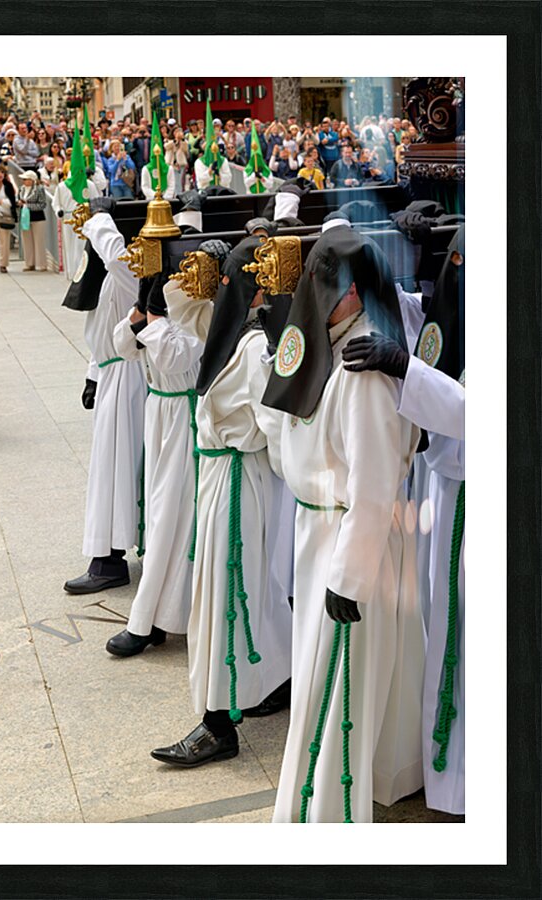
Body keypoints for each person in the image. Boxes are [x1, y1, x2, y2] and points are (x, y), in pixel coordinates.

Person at [264, 218, 424, 823]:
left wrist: (349, 577)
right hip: (318, 530)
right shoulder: (329, 344)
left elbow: (375, 487)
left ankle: (323, 806)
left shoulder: (363, 366)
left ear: (354, 292)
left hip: (348, 539)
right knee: (338, 668)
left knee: (334, 680)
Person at [151, 236, 293, 767]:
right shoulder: (228, 330)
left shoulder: (254, 349)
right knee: (247, 589)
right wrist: (198, 267)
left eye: (229, 280)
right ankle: (277, 678)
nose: (220, 290)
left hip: (237, 481)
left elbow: (275, 423)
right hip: (221, 475)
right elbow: (180, 305)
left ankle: (218, 724)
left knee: (225, 595)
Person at [342, 227, 466, 815]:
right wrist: (409, 269)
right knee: (442, 624)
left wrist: (407, 370)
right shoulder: (452, 295)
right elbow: (425, 321)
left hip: (477, 491)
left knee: (464, 632)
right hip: (444, 484)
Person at [106, 268, 205, 656]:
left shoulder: (201, 305)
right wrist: (141, 307)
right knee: (160, 518)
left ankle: (149, 619)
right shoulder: (158, 304)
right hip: (160, 414)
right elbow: (123, 346)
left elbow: (173, 358)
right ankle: (160, 615)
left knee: (172, 520)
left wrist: (156, 313)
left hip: (184, 420)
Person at [63, 200, 147, 594]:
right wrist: (92, 373)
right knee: (110, 470)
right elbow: (99, 329)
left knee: (114, 471)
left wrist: (98, 220)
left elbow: (118, 259)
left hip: (128, 379)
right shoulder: (111, 279)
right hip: (112, 374)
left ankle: (109, 560)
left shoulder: (131, 273)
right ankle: (108, 554)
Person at [51, 172, 99, 280]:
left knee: (82, 246)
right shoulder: (62, 186)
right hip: (69, 219)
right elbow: (56, 203)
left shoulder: (89, 185)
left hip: (85, 218)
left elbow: (96, 200)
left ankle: (84, 272)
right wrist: (59, 211)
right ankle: (72, 272)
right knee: (69, 246)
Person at [16, 170, 48, 272]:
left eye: (26, 179)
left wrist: (28, 205)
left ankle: (42, 264)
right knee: (27, 242)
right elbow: (18, 200)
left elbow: (42, 204)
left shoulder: (39, 189)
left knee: (39, 242)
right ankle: (29, 263)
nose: (24, 181)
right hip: (25, 217)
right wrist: (19, 203)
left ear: (32, 180)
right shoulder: (21, 189)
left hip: (37, 217)